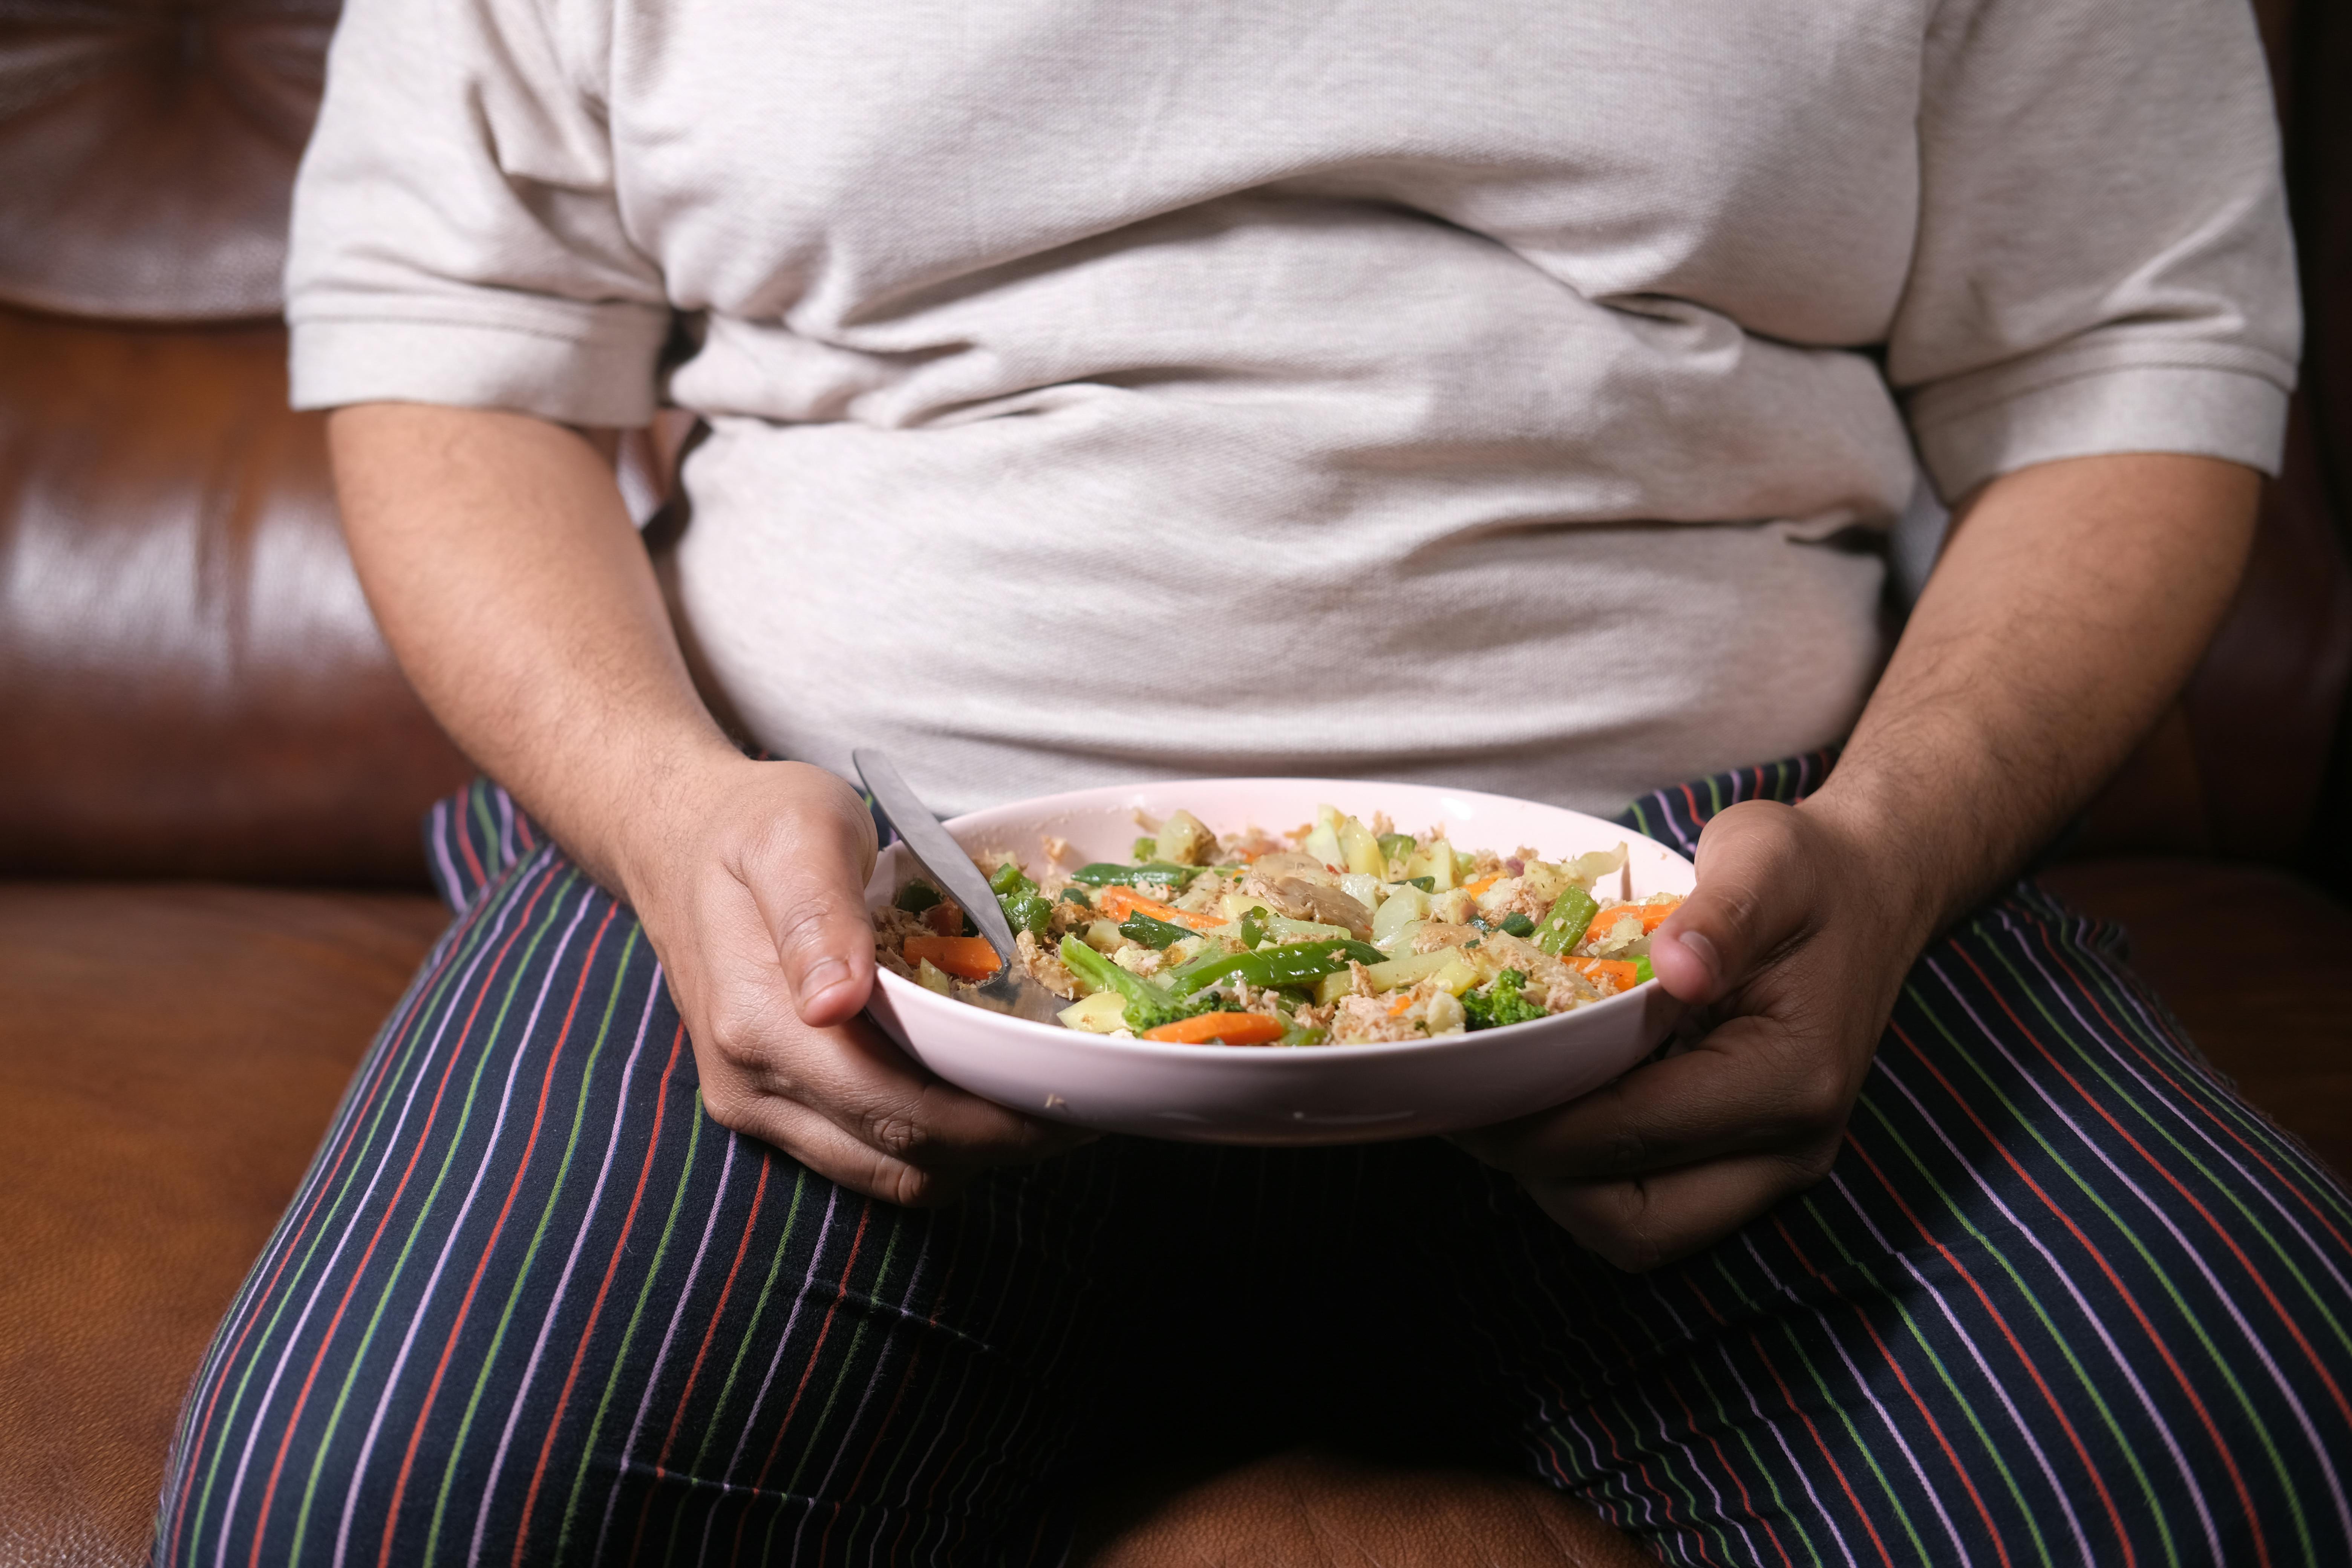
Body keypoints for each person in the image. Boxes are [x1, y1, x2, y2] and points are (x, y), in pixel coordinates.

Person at [153, 0, 2352, 1563]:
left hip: (1734, 894)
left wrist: (1890, 859)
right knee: (376, 1509)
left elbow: (2120, 358)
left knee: (2250, 1469)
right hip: (838, 864)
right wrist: (659, 811)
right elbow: (452, 348)